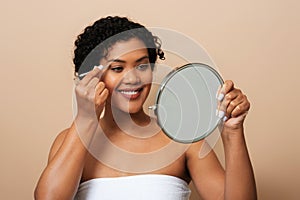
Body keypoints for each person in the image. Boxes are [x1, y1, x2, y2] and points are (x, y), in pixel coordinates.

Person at [34, 16, 257, 200]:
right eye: (118, 68)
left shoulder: (183, 139)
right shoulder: (69, 141)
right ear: (91, 76)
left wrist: (233, 132)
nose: (133, 79)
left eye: (142, 65)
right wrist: (86, 119)